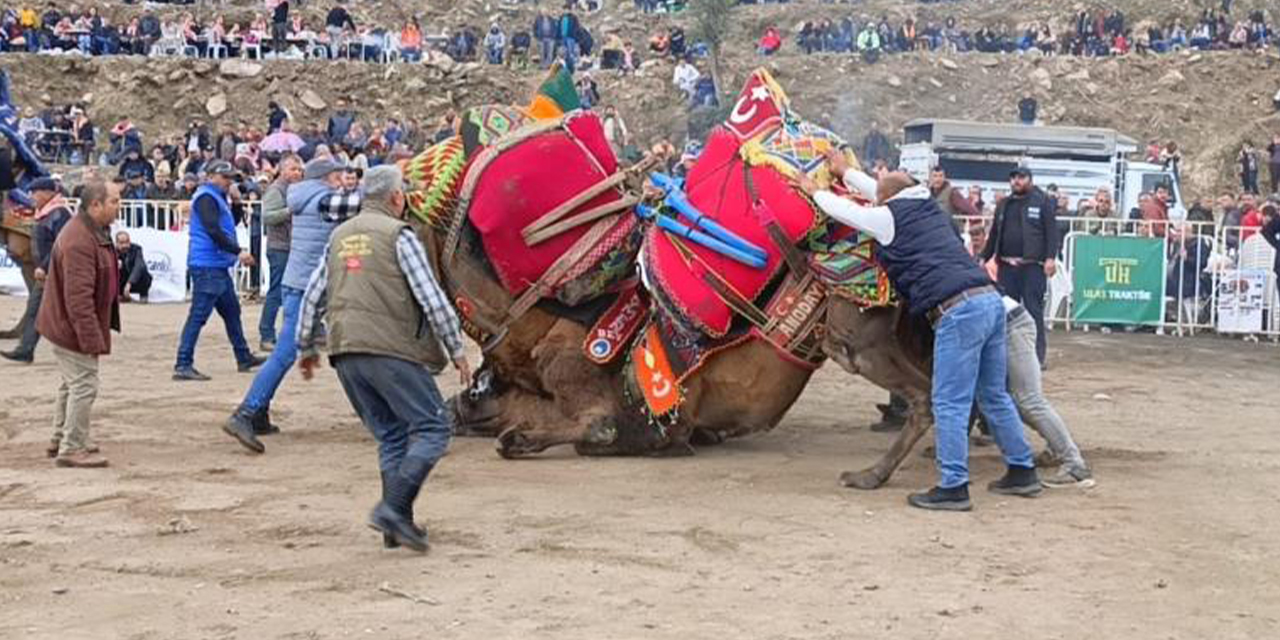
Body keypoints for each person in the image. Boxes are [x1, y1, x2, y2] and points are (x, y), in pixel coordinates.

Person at [797, 154, 1040, 511]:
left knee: (949, 402)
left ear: (887, 199)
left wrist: (813, 191)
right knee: (993, 396)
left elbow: (849, 212)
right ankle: (1022, 470)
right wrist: (845, 171)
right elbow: (880, 191)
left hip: (957, 311)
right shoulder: (923, 201)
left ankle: (953, 486)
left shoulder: (887, 219)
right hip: (989, 302)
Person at [293, 165, 471, 550]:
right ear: (396, 197)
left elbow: (312, 296)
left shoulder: (339, 236)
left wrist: (305, 347)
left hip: (345, 352)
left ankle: (397, 526)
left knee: (391, 435)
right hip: (390, 349)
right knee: (434, 427)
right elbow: (431, 298)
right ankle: (392, 510)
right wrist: (456, 349)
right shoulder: (399, 235)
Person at [222, 157, 361, 450]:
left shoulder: (305, 196)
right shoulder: (323, 200)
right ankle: (245, 413)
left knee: (294, 351)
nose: (342, 181)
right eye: (338, 176)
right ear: (327, 178)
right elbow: (363, 203)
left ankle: (258, 414)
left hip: (301, 283)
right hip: (306, 287)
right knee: (285, 354)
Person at [35, 179, 121, 468]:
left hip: (64, 323)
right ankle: (72, 447)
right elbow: (78, 299)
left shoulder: (88, 231)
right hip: (70, 326)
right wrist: (90, 339)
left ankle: (63, 436)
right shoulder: (80, 240)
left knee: (71, 383)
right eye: (114, 201)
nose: (118, 207)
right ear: (95, 205)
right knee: (84, 384)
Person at [173, 160, 266, 381]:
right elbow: (214, 231)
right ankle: (183, 363)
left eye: (231, 178)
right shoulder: (206, 197)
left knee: (232, 312)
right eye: (225, 178)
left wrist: (236, 202)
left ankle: (243, 356)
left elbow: (230, 223)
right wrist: (238, 251)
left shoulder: (216, 197)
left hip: (216, 266)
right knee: (198, 316)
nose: (229, 182)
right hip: (208, 265)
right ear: (211, 176)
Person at [979, 168, 1058, 366]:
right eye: (1013, 177)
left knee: (1033, 311)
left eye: (1021, 177)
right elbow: (994, 234)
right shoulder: (1004, 204)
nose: (1016, 181)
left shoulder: (1042, 202)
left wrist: (1050, 258)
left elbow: (1052, 232)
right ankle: (1006, 356)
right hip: (1006, 266)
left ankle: (1037, 357)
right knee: (1007, 312)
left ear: (1030, 179)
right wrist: (983, 258)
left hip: (1032, 266)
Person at [3, 178, 71, 364]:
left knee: (62, 311)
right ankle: (25, 350)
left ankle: (81, 345)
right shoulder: (46, 213)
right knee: (36, 309)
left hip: (57, 272)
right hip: (49, 273)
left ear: (48, 193)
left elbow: (62, 245)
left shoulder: (60, 214)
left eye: (35, 192)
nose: (31, 196)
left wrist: (44, 266)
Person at [259, 154, 301, 351]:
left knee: (290, 291)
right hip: (279, 247)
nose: (297, 173)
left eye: (299, 169)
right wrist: (289, 211)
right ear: (282, 170)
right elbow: (267, 217)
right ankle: (266, 334)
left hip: (290, 247)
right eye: (293, 169)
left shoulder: (295, 189)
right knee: (276, 292)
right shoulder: (276, 190)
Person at [115, 231, 152, 303]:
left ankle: (143, 295)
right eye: (121, 243)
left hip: (134, 283)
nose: (125, 245)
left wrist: (129, 283)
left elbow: (139, 265)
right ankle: (120, 295)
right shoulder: (112, 251)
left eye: (127, 242)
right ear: (116, 244)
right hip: (121, 282)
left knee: (143, 270)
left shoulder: (137, 249)